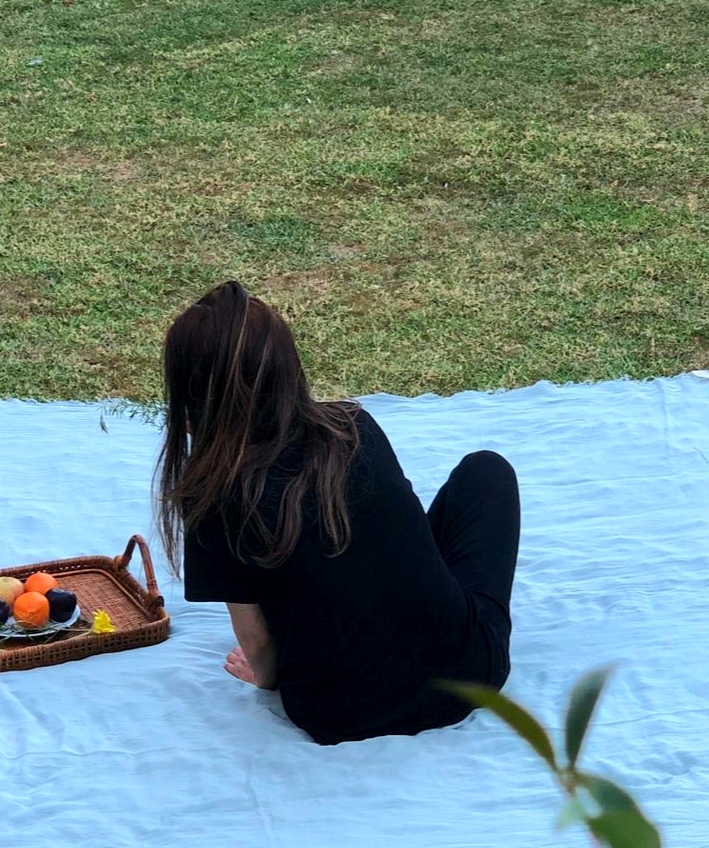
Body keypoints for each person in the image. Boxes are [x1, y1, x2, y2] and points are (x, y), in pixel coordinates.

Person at [155, 281, 521, 745]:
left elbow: (260, 648)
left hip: (335, 713)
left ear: (189, 398)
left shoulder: (209, 497)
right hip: (467, 678)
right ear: (288, 369)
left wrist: (266, 677)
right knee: (486, 472)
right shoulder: (354, 427)